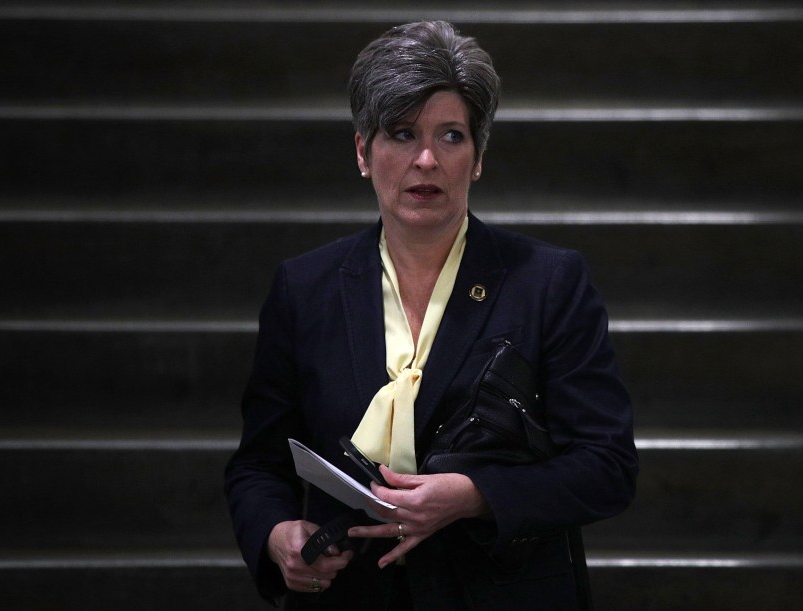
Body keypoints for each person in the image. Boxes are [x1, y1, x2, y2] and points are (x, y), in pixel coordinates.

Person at [225, 20, 638, 611]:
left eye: (450, 136)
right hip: (354, 595)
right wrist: (277, 536)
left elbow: (607, 467)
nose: (426, 159)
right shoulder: (305, 287)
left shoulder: (548, 282)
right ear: (364, 152)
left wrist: (473, 495)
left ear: (477, 158)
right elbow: (259, 464)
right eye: (401, 134)